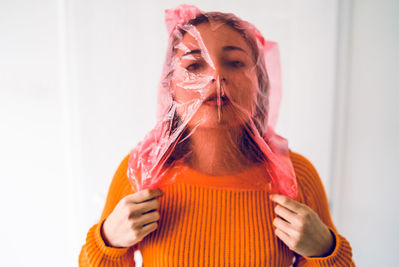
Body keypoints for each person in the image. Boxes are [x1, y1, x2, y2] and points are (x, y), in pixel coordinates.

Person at [79, 4, 354, 266]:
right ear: (169, 85)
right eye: (194, 65)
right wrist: (108, 242)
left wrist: (326, 251)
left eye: (235, 62)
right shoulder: (141, 174)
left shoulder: (296, 178)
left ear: (260, 82)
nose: (216, 76)